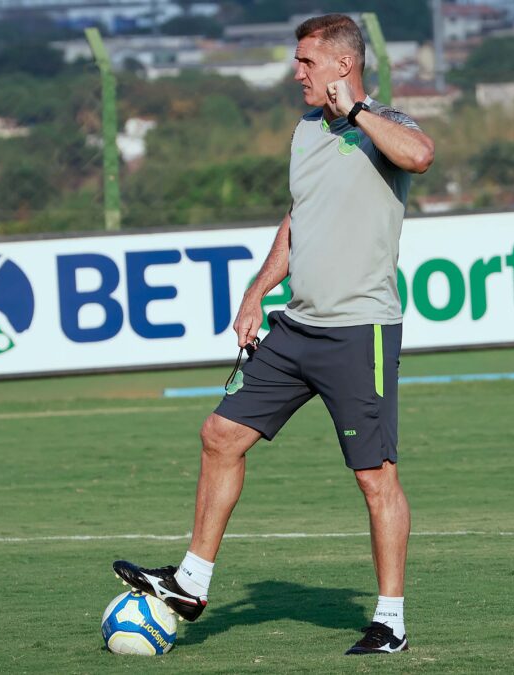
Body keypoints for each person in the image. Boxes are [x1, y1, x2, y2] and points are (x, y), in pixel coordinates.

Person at [113, 13, 434, 656]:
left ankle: (390, 621)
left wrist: (361, 109)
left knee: (375, 477)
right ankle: (189, 583)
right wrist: (258, 292)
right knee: (219, 435)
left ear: (343, 65)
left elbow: (420, 158)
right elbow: (298, 217)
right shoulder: (305, 130)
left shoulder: (388, 125)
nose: (296, 73)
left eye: (307, 62)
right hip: (297, 326)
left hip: (358, 331)